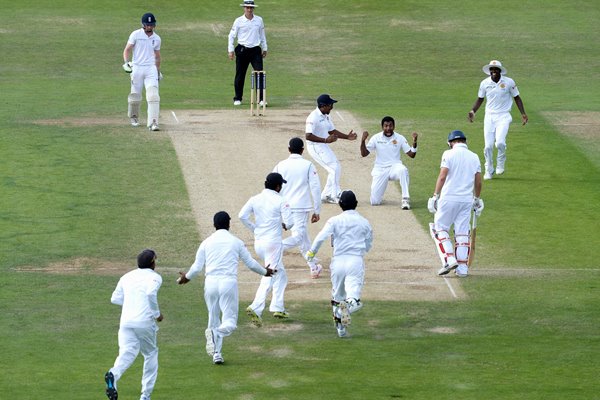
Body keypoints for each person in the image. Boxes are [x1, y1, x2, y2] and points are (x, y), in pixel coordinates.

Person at [177, 211, 275, 365]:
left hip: (210, 284)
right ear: (229, 224)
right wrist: (265, 272)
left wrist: (186, 278)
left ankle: (216, 353)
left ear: (214, 225)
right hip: (228, 283)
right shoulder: (236, 242)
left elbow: (196, 268)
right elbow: (250, 263)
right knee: (229, 322)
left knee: (213, 317)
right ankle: (215, 335)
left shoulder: (206, 242)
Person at [305, 190, 373, 338]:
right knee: (353, 295)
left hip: (338, 262)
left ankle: (341, 330)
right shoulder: (364, 222)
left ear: (340, 204)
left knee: (338, 297)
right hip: (355, 260)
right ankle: (349, 306)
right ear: (356, 204)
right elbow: (368, 245)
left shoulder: (334, 220)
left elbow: (320, 237)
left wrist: (311, 253)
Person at [104, 249, 163, 400]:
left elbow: (115, 298)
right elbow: (150, 294)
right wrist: (157, 314)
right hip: (144, 322)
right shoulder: (155, 277)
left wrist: (132, 303)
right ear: (152, 263)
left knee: (126, 353)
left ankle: (113, 374)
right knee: (150, 354)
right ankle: (145, 395)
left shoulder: (127, 276)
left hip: (126, 322)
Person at [239, 172, 294, 325]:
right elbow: (290, 223)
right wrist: (284, 225)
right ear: (277, 186)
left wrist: (255, 229)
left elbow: (242, 216)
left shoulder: (255, 199)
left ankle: (278, 307)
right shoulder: (281, 200)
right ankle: (255, 307)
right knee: (269, 274)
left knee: (281, 275)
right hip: (273, 244)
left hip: (259, 243)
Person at [427, 130, 483, 278]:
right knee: (462, 233)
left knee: (439, 229)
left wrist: (435, 196)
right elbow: (478, 181)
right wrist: (477, 199)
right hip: (466, 200)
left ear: (451, 142)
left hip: (448, 199)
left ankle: (449, 259)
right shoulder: (474, 157)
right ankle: (463, 269)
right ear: (464, 141)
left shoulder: (448, 154)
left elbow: (442, 176)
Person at [467, 60, 528, 180]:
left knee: (499, 142)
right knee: (488, 146)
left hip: (504, 116)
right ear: (489, 71)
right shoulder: (484, 83)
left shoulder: (509, 82)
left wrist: (523, 114)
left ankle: (501, 162)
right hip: (489, 116)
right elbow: (480, 99)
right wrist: (473, 111)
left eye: (496, 69)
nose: (493, 72)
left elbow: (517, 98)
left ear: (500, 71)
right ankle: (488, 170)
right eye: (492, 70)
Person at [273, 137, 324, 279]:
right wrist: (317, 210)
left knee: (304, 238)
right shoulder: (308, 165)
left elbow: (272, 186)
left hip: (284, 207)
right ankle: (276, 248)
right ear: (302, 150)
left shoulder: (280, 165)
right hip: (300, 208)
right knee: (299, 237)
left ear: (289, 149)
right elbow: (315, 188)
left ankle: (313, 266)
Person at [305, 94, 358, 204]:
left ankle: (325, 195)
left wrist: (347, 137)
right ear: (323, 106)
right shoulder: (313, 117)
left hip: (322, 145)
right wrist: (325, 140)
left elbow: (332, 131)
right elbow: (308, 136)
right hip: (314, 147)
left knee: (336, 166)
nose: (332, 107)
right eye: (330, 105)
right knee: (333, 168)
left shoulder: (326, 115)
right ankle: (335, 195)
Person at [360, 116, 418, 210]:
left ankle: (405, 199)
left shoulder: (400, 138)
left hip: (394, 167)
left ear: (394, 126)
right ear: (382, 127)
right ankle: (378, 195)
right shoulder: (376, 138)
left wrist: (415, 142)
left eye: (390, 126)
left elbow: (411, 154)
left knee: (403, 170)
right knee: (374, 202)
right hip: (380, 169)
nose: (388, 129)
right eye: (386, 126)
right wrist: (362, 141)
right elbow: (364, 154)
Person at [122, 12, 162, 131]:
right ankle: (134, 117)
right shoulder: (135, 34)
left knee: (153, 95)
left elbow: (158, 56)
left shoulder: (157, 38)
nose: (149, 27)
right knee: (135, 95)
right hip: (137, 67)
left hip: (150, 69)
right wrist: (126, 62)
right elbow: (127, 50)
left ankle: (153, 122)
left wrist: (158, 71)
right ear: (143, 24)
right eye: (147, 25)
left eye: (151, 25)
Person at [228, 0, 268, 106]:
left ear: (253, 8)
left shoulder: (259, 20)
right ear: (244, 8)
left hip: (255, 50)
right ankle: (238, 98)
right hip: (242, 50)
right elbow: (231, 36)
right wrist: (230, 50)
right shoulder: (238, 21)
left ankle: (261, 100)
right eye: (247, 7)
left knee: (259, 74)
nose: (249, 10)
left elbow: (262, 35)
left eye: (251, 8)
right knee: (240, 75)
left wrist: (264, 48)